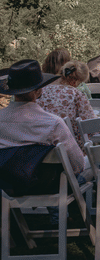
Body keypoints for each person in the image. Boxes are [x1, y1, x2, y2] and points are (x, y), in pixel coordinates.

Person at [0, 60, 85, 189]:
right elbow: (78, 165)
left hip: (7, 187)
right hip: (48, 187)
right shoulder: (53, 124)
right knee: (87, 172)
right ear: (39, 90)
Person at [36, 60, 96, 148]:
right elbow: (90, 125)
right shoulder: (75, 94)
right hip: (69, 147)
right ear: (75, 81)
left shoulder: (41, 91)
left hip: (42, 145)